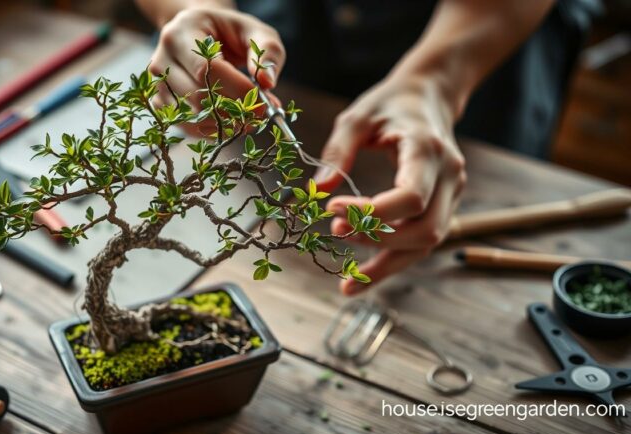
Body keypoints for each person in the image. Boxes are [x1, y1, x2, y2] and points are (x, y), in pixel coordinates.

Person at [134, 0, 597, 295]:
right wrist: (193, 12)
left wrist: (436, 79)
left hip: (481, 30)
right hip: (282, 20)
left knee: (437, 198)